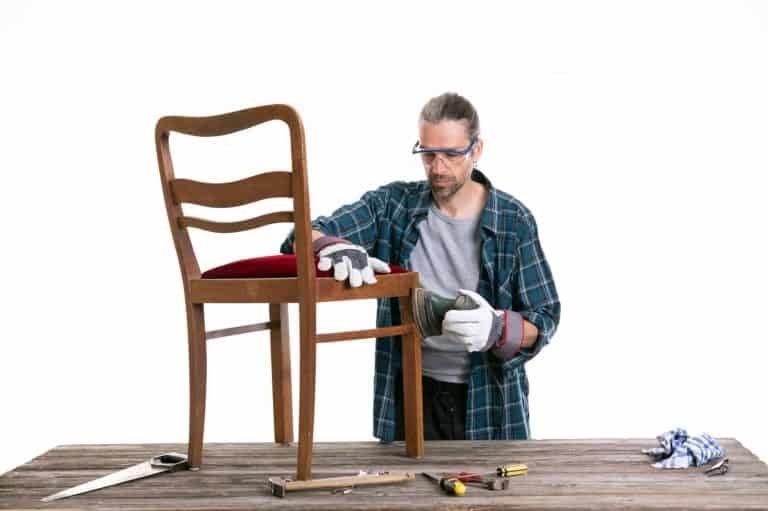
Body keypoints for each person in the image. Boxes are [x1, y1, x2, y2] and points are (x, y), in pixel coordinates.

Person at [280, 92, 560, 441]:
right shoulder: (393, 206)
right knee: (407, 492)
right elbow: (301, 235)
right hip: (410, 394)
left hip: (490, 401)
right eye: (428, 154)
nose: (438, 167)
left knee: (495, 494)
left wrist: (498, 328)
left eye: (451, 154)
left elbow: (546, 317)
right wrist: (330, 246)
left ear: (476, 150)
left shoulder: (513, 221)